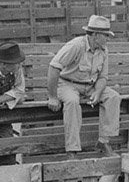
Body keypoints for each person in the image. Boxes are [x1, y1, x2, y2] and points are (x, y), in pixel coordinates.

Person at [47, 15, 122, 155]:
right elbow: (53, 67)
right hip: (68, 84)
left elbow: (103, 77)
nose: (107, 39)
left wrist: (98, 92)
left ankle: (103, 141)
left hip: (90, 86)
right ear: (95, 35)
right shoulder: (76, 45)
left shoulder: (104, 50)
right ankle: (72, 149)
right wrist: (52, 97)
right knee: (72, 102)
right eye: (105, 35)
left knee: (113, 97)